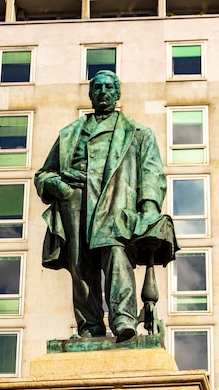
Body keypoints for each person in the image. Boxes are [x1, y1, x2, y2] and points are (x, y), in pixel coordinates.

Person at [34, 70, 178, 341]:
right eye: (97, 88)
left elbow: (152, 173)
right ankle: (90, 326)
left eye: (108, 87)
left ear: (117, 93)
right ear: (90, 95)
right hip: (74, 201)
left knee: (116, 255)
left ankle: (124, 320)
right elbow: (43, 174)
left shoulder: (137, 133)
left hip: (114, 204)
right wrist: (59, 187)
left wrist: (148, 207)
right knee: (81, 267)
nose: (103, 92)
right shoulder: (70, 134)